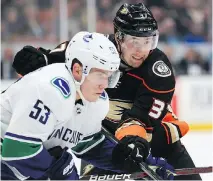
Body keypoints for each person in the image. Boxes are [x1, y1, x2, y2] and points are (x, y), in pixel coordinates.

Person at [12, 3, 201, 180]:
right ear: (118, 36)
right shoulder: (94, 48)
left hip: (150, 142)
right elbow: (55, 58)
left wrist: (133, 143)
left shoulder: (158, 72)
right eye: (134, 41)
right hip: (103, 144)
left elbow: (139, 121)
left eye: (148, 42)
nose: (141, 50)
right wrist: (36, 60)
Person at [1, 31, 174, 180]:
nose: (105, 84)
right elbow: (17, 150)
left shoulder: (95, 103)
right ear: (77, 70)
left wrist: (137, 163)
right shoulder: (49, 87)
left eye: (110, 76)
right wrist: (56, 168)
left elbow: (89, 146)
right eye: (100, 74)